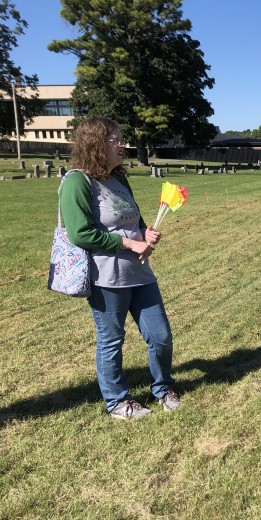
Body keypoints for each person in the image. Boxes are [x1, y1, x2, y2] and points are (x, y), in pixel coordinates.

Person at [61, 117, 178, 419]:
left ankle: (163, 388)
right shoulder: (77, 181)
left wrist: (145, 232)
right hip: (106, 279)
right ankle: (117, 402)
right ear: (96, 144)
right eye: (115, 140)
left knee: (161, 335)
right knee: (111, 340)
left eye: (122, 139)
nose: (122, 145)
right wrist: (129, 244)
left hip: (139, 274)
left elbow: (133, 219)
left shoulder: (119, 178)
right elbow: (80, 233)